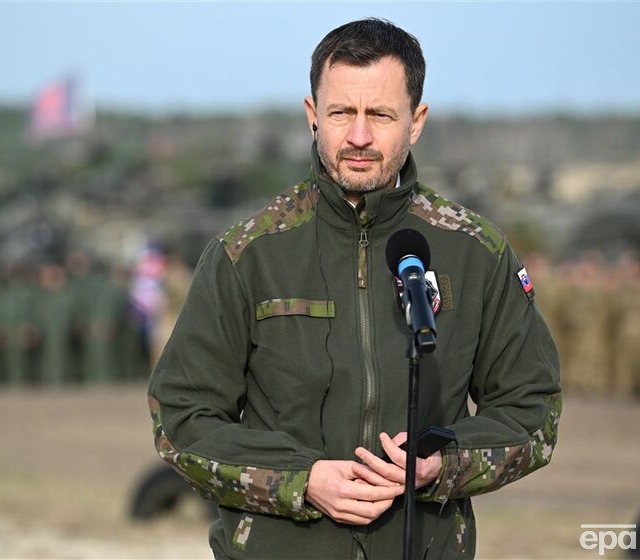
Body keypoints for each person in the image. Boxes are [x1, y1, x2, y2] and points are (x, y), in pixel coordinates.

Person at [147, 18, 561, 559]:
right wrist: (301, 480)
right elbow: (181, 418)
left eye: (380, 115)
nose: (359, 137)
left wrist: (444, 464)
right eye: (341, 112)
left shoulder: (476, 252)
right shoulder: (247, 254)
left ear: (416, 121)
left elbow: (533, 411)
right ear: (312, 115)